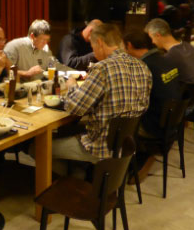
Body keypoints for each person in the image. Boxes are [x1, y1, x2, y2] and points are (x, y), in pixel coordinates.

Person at [51, 24, 151, 174]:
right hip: (126, 144)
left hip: (100, 147)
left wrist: (72, 86)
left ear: (99, 42)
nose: (93, 52)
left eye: (92, 47)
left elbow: (75, 108)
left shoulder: (102, 68)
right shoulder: (143, 67)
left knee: (38, 148)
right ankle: (82, 174)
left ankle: (75, 178)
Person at [123, 30, 181, 138]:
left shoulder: (144, 67)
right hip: (172, 119)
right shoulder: (166, 59)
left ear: (129, 45)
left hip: (154, 126)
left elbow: (132, 100)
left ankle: (131, 148)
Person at [3, 19, 70, 82]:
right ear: (32, 36)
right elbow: (6, 71)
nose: (45, 43)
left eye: (47, 40)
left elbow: (56, 65)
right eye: (42, 40)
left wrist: (74, 72)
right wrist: (26, 73)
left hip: (39, 85)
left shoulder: (45, 49)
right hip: (18, 87)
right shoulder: (14, 46)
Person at [145, 18, 194, 84]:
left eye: (152, 38)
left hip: (184, 89)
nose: (153, 42)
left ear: (158, 35)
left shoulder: (170, 57)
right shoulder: (188, 46)